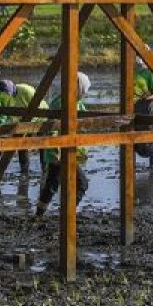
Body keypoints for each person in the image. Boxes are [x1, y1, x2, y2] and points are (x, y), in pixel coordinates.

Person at [36, 72, 92, 216]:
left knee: (52, 184)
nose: (84, 93)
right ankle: (67, 214)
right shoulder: (61, 102)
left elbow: (85, 121)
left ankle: (39, 214)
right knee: (82, 183)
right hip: (61, 151)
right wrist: (55, 149)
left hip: (68, 149)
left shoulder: (76, 103)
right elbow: (53, 127)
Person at [0, 79, 48, 174]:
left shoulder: (25, 90)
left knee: (42, 144)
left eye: (6, 93)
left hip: (40, 118)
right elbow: (8, 116)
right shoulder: (3, 98)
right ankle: (24, 169)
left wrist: (29, 125)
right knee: (21, 144)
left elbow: (39, 105)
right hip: (21, 122)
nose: (5, 96)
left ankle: (45, 168)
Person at [133, 58, 153, 167]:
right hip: (135, 108)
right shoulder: (130, 72)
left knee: (151, 136)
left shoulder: (149, 73)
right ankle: (131, 165)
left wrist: (145, 99)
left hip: (149, 108)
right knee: (134, 135)